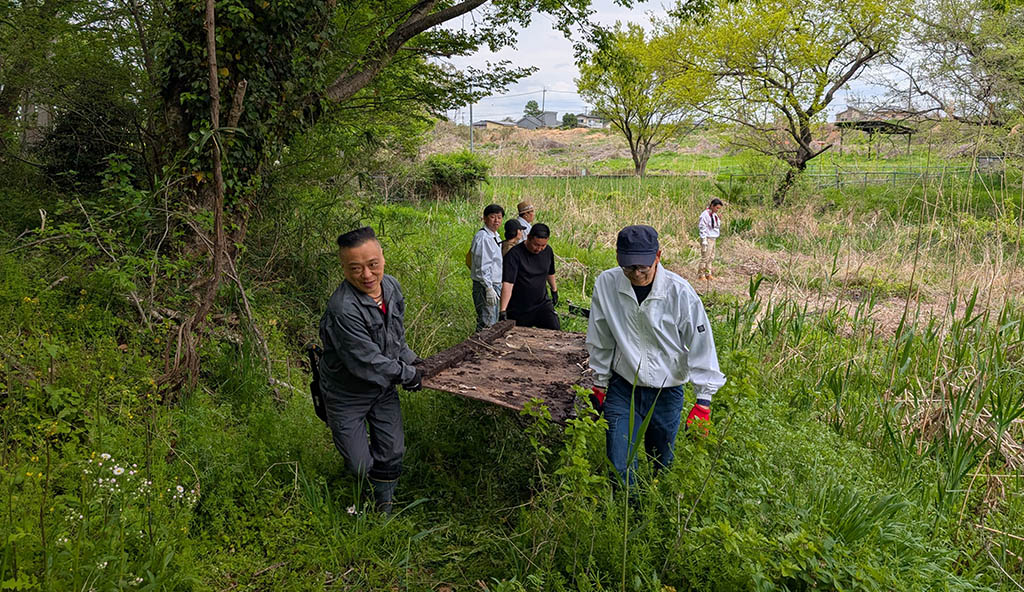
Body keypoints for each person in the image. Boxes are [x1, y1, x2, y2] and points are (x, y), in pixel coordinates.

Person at [586, 225, 726, 486]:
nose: (637, 275)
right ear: (618, 258)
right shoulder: (607, 284)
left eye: (643, 268)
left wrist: (703, 400)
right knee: (619, 463)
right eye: (629, 268)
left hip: (666, 391)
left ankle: (654, 508)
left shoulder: (679, 292)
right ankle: (627, 512)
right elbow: (601, 336)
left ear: (658, 256)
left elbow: (701, 344)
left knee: (661, 461)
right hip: (623, 386)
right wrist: (599, 383)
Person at [318, 226, 422, 514]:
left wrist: (414, 362)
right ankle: (361, 488)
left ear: (383, 259)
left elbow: (395, 339)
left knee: (392, 452)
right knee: (359, 464)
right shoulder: (343, 309)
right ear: (343, 268)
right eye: (355, 268)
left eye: (372, 265)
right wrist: (406, 374)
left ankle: (383, 505)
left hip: (382, 387)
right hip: (346, 392)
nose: (366, 275)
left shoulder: (391, 287)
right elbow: (367, 360)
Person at [499, 223, 560, 330]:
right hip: (519, 308)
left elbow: (550, 272)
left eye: (543, 245)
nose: (539, 249)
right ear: (528, 238)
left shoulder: (548, 251)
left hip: (542, 303)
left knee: (555, 330)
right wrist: (503, 310)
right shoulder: (514, 255)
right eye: (536, 245)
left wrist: (554, 290)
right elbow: (508, 283)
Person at [470, 204, 504, 331]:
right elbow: (482, 265)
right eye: (493, 217)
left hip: (494, 284)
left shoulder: (495, 236)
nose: (496, 221)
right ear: (485, 218)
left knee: (492, 321)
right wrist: (488, 288)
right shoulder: (484, 237)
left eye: (499, 218)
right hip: (485, 286)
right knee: (486, 323)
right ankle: (479, 349)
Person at [698, 198, 724, 280]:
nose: (717, 210)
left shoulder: (714, 214)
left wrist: (719, 219)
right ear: (712, 206)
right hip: (707, 238)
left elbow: (715, 226)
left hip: (713, 238)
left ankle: (708, 273)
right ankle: (701, 274)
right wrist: (704, 240)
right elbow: (702, 227)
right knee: (705, 257)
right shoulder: (705, 215)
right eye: (717, 208)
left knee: (711, 257)